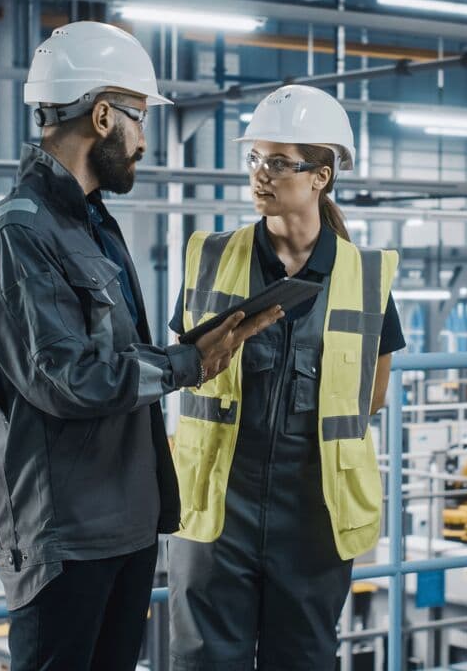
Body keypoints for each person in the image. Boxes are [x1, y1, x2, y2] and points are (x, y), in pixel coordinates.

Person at [0, 21, 283, 671]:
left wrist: (195, 350)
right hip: (65, 534)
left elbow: (108, 357)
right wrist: (190, 363)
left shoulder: (96, 224)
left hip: (127, 521)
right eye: (139, 120)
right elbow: (64, 378)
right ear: (103, 115)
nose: (144, 140)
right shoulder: (19, 234)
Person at [167, 84, 406, 670]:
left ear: (321, 175)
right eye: (255, 160)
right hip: (218, 502)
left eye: (277, 162)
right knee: (204, 659)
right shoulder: (211, 256)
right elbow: (185, 365)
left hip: (315, 512)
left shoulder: (366, 276)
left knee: (302, 658)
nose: (260, 175)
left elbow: (372, 395)